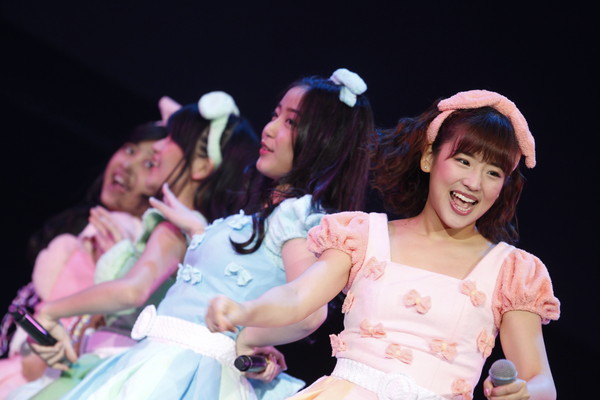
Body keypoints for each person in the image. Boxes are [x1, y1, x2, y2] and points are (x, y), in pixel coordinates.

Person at [207, 90, 561, 400]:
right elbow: (299, 296)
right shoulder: (363, 236)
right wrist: (244, 311)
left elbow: (541, 380)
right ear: (429, 158)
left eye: (493, 172)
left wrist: (524, 392)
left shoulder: (511, 272)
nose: (474, 182)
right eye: (463, 161)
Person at [57, 67, 375, 400]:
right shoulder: (266, 214)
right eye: (275, 115)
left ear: (325, 141)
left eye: (291, 122)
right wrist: (198, 229)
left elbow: (309, 309)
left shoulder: (298, 214)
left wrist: (247, 336)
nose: (269, 129)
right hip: (161, 358)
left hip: (190, 369)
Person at [8, 91, 262, 400]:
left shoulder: (175, 228)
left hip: (118, 366)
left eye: (171, 140)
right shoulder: (200, 232)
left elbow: (133, 291)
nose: (157, 146)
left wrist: (50, 311)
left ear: (200, 167)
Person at [0, 114, 169, 399]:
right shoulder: (80, 224)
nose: (127, 165)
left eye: (150, 164)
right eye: (130, 150)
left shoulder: (132, 241)